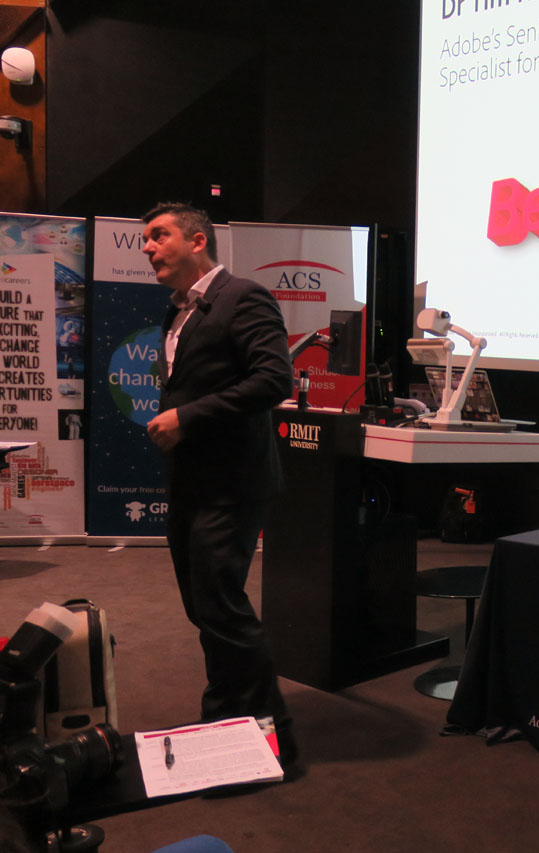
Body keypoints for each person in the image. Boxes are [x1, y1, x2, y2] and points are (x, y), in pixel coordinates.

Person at [140, 202, 298, 769]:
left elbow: (274, 379)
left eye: (159, 235)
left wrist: (187, 417)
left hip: (232, 483)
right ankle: (226, 719)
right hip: (189, 482)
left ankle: (272, 742)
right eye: (146, 239)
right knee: (203, 608)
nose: (148, 247)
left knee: (222, 606)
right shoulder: (178, 311)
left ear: (198, 240)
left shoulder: (243, 296)